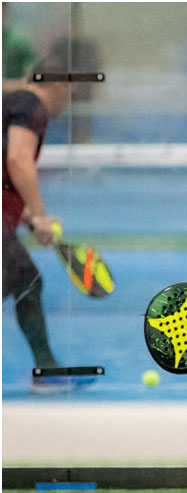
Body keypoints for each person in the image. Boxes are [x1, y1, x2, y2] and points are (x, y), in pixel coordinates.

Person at [2, 55, 74, 393]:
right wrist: (40, 214)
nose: (68, 102)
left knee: (26, 280)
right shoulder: (32, 105)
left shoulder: (13, 103)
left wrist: (30, 218)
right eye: (69, 92)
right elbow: (17, 159)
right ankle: (47, 371)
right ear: (57, 85)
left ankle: (48, 369)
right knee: (25, 279)